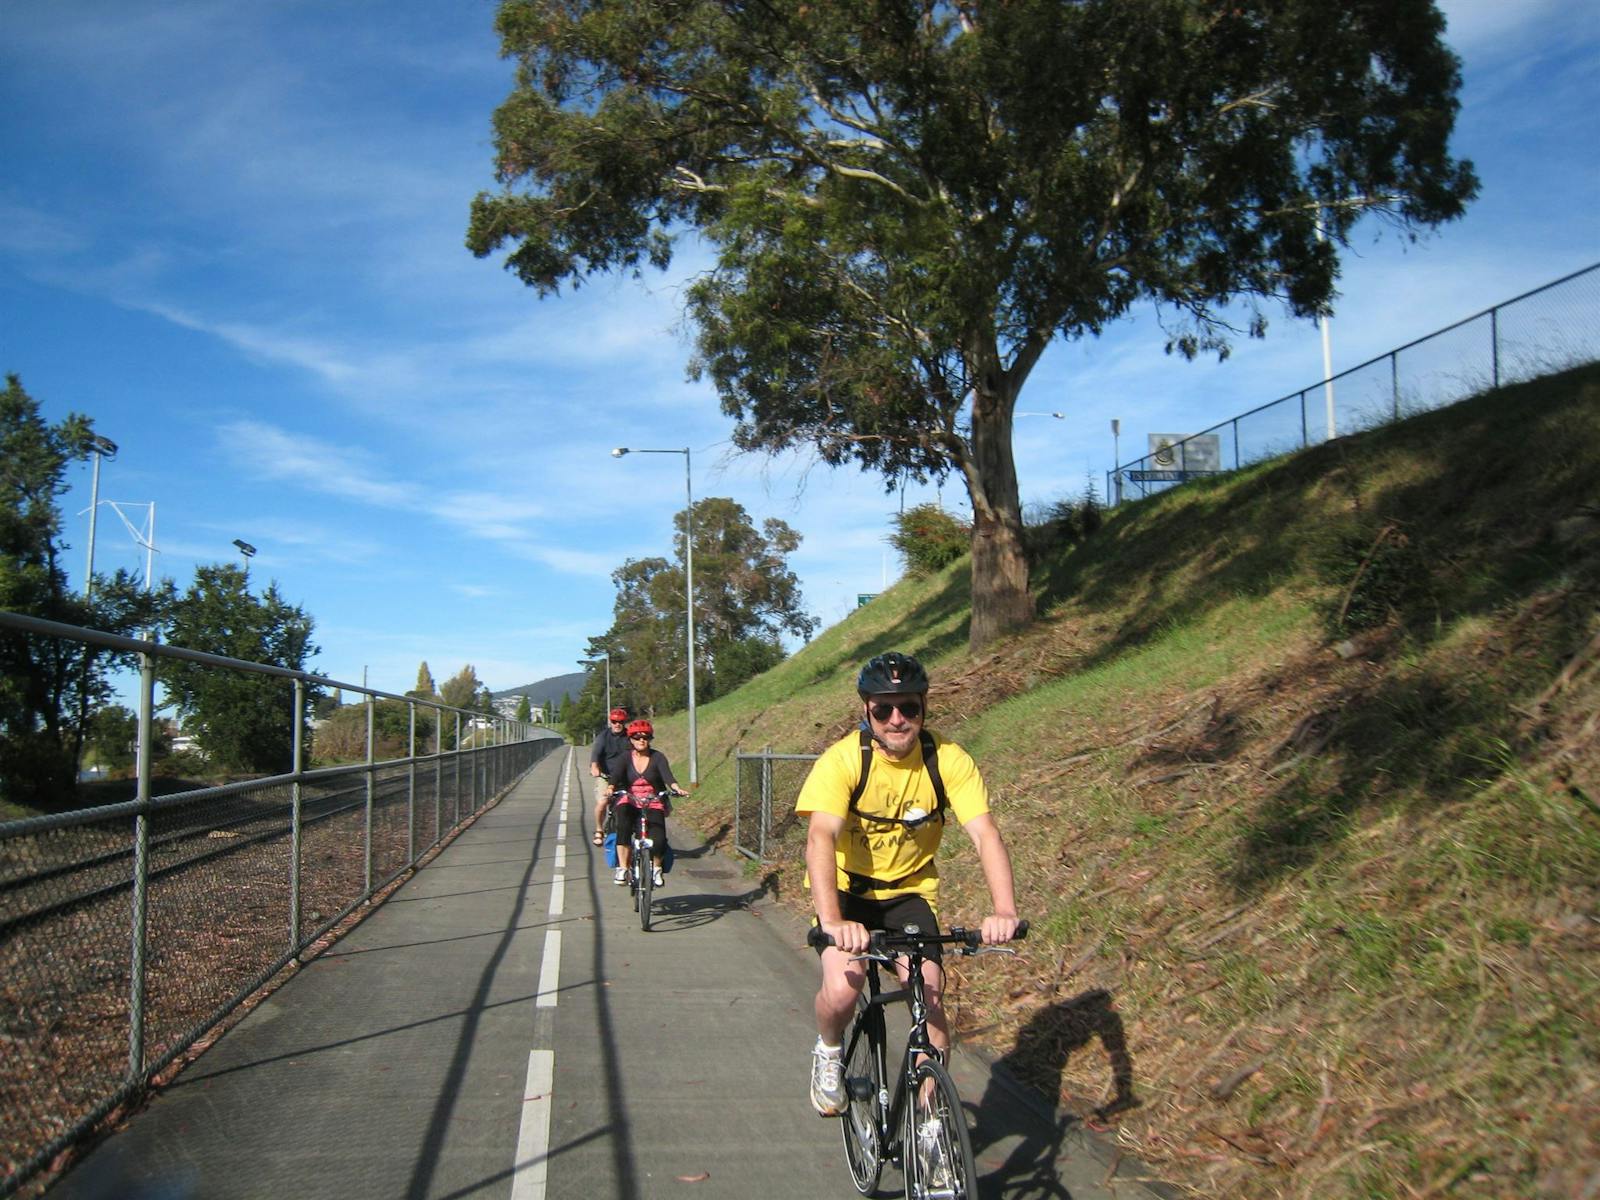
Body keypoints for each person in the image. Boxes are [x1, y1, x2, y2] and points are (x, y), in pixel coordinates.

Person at [796, 651, 1020, 1118]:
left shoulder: (947, 760)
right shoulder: (844, 761)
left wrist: (1004, 911)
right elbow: (820, 836)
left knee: (930, 999)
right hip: (847, 892)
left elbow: (985, 833)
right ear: (866, 711)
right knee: (844, 987)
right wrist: (834, 921)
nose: (897, 719)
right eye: (883, 709)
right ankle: (830, 1050)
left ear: (924, 708)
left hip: (909, 893)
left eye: (909, 708)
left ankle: (931, 1127)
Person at [607, 718, 688, 888]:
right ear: (630, 739)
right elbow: (615, 776)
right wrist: (611, 787)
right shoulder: (624, 757)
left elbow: (668, 776)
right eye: (637, 737)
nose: (641, 740)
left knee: (658, 838)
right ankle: (623, 868)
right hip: (630, 799)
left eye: (646, 737)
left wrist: (676, 788)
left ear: (650, 739)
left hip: (652, 800)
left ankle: (657, 868)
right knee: (623, 827)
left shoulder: (658, 757)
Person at [589, 707, 632, 847]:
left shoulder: (629, 736)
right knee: (602, 803)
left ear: (624, 722)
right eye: (614, 721)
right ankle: (599, 830)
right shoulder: (603, 736)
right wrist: (594, 767)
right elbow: (596, 753)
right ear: (610, 721)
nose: (617, 724)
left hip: (624, 777)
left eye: (620, 721)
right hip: (606, 777)